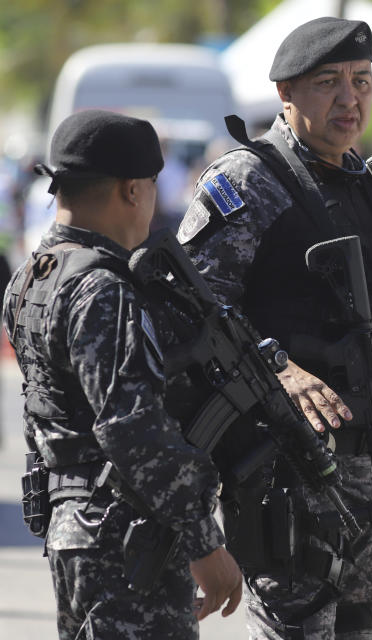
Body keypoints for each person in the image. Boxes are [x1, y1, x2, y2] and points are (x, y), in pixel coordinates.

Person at [177, 17, 372, 639]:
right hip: (290, 471)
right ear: (285, 93)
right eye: (328, 83)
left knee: (358, 628)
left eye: (362, 81)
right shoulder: (248, 182)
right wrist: (279, 368)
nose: (350, 98)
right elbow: (187, 312)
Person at [2, 110, 242, 640]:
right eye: (152, 186)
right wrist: (204, 541)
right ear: (133, 191)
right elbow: (132, 428)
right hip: (125, 540)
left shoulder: (30, 278)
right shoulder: (102, 288)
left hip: (76, 530)